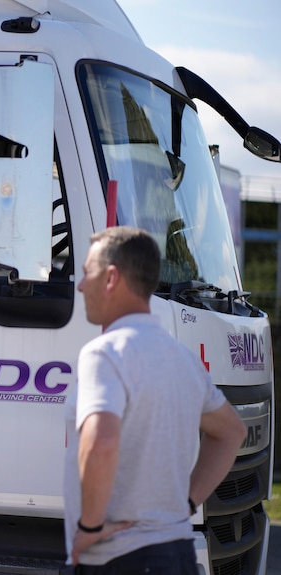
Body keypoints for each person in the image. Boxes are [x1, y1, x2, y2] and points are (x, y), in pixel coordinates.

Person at [64, 226, 246, 573]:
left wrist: (90, 527)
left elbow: (100, 441)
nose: (81, 285)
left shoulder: (104, 353)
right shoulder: (183, 358)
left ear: (112, 278)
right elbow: (232, 433)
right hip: (178, 554)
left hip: (118, 558)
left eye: (88, 273)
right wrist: (186, 503)